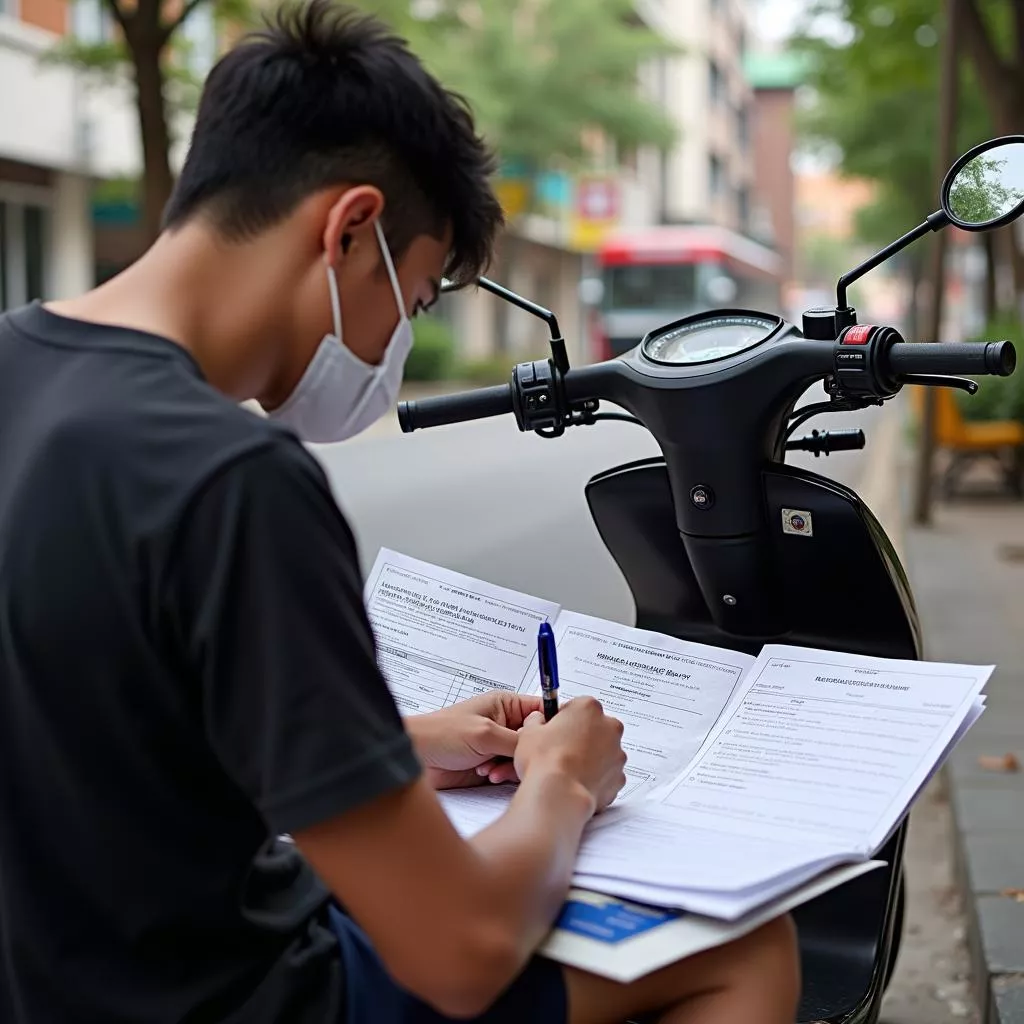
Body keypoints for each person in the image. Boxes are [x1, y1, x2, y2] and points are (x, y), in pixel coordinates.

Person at [0, 3, 800, 1022]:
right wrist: (562, 783)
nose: (396, 346)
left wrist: (396, 741)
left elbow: (95, 712)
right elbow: (460, 953)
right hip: (223, 994)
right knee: (744, 943)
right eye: (416, 298)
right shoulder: (230, 479)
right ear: (349, 229)